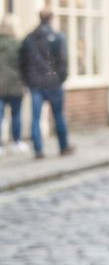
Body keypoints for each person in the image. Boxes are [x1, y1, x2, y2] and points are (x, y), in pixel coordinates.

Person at [20, 9, 73, 158]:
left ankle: (38, 150)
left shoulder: (29, 38)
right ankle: (63, 146)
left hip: (36, 83)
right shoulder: (57, 37)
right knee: (59, 116)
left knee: (36, 117)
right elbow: (63, 61)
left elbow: (23, 63)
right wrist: (60, 78)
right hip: (53, 83)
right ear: (51, 19)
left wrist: (28, 80)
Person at [0, 16, 25, 154]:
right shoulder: (18, 44)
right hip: (16, 85)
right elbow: (24, 65)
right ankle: (17, 142)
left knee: (0, 117)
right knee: (16, 115)